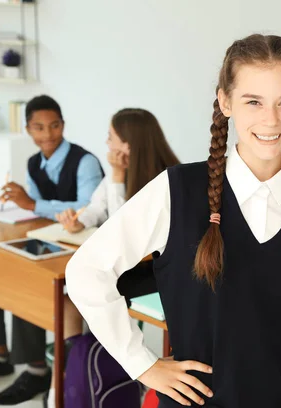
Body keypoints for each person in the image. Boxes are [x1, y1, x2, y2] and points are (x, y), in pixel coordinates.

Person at [67, 34, 281, 408]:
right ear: (225, 102)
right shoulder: (177, 191)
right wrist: (143, 365)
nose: (270, 119)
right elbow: (86, 272)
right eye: (253, 101)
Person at [0, 95, 104, 406]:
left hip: (81, 247)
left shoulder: (85, 161)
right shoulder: (34, 163)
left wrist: (33, 204)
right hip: (50, 237)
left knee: (27, 280)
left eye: (54, 126)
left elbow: (90, 208)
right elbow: (34, 212)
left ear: (63, 125)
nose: (48, 134)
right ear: (28, 130)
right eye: (39, 128)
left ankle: (37, 370)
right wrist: (26, 206)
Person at [45, 108, 180, 408]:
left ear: (129, 144)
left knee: (81, 295)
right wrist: (77, 221)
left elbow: (128, 232)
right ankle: (74, 366)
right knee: (69, 297)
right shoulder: (114, 178)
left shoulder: (168, 179)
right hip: (123, 270)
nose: (107, 145)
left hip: (149, 273)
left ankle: (88, 366)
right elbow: (96, 210)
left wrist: (117, 178)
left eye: (112, 139)